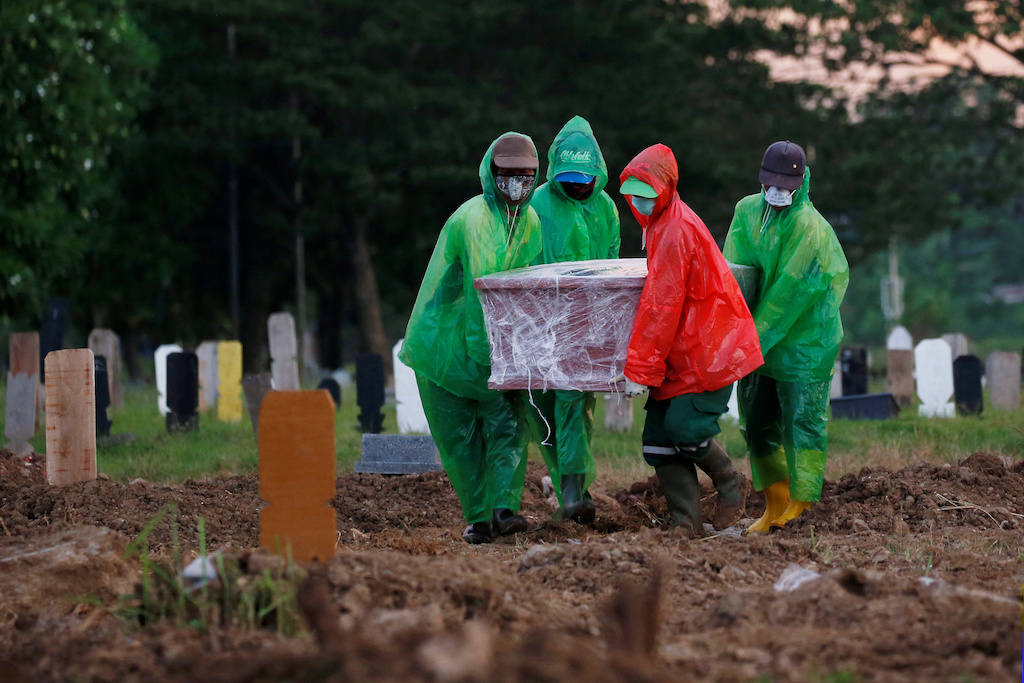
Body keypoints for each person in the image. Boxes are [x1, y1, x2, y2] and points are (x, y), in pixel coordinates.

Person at [399, 132, 543, 544]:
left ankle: (504, 510)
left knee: (508, 427)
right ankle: (479, 519)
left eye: (527, 175)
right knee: (460, 438)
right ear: (491, 172)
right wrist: (493, 360)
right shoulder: (475, 220)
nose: (517, 183)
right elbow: (480, 298)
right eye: (509, 174)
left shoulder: (527, 220)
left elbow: (525, 286)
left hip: (492, 348)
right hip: (445, 345)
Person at [614, 143, 764, 538]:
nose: (640, 203)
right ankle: (687, 523)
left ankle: (730, 481)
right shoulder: (661, 224)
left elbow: (660, 306)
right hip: (686, 352)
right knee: (658, 444)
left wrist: (640, 368)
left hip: (709, 351)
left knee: (684, 429)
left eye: (647, 195)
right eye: (634, 195)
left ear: (665, 190)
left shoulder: (675, 229)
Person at [723, 140, 849, 533]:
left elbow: (787, 297)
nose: (776, 191)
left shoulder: (810, 228)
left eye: (785, 183)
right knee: (757, 422)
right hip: (757, 336)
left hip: (804, 342)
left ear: (801, 181)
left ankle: (802, 502)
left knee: (802, 423)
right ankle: (775, 502)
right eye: (771, 182)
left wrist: (745, 343)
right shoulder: (747, 211)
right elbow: (736, 274)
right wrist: (730, 329)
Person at [525, 115, 620, 524]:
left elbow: (613, 264)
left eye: (585, 177)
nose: (578, 185)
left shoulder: (606, 209)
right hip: (542, 323)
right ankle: (571, 487)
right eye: (570, 177)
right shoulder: (538, 204)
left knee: (577, 405)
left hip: (590, 323)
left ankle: (573, 490)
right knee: (550, 407)